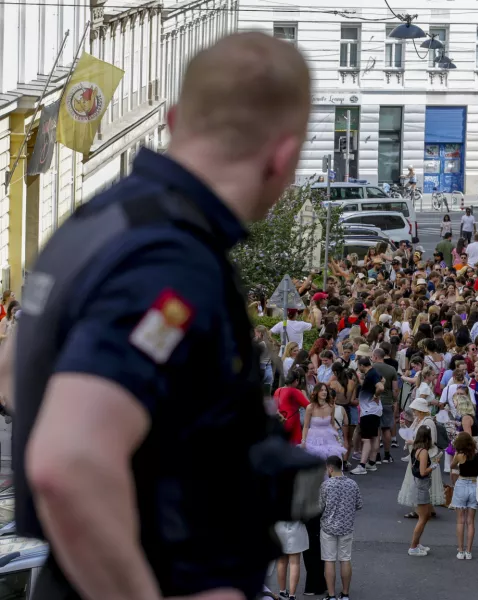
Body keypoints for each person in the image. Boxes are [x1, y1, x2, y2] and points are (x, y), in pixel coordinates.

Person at [7, 32, 321, 600]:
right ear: (284, 156)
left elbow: (13, 369)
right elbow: (67, 461)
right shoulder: (171, 262)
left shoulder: (98, 224)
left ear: (175, 119)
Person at [319, 455, 362, 600]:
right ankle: (345, 594)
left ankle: (331, 595)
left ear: (330, 468)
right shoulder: (352, 484)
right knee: (345, 559)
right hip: (346, 527)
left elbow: (320, 506)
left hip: (328, 527)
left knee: (329, 560)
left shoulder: (326, 485)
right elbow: (358, 505)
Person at [449, 432, 478, 560]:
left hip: (462, 484)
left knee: (460, 520)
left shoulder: (459, 455)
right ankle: (469, 551)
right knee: (470, 521)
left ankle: (460, 550)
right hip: (474, 485)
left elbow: (452, 466)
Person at [408, 426, 440, 557]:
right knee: (422, 518)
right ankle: (413, 546)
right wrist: (433, 465)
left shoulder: (415, 448)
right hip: (421, 487)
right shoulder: (424, 452)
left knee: (425, 516)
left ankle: (417, 543)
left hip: (418, 485)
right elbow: (422, 472)